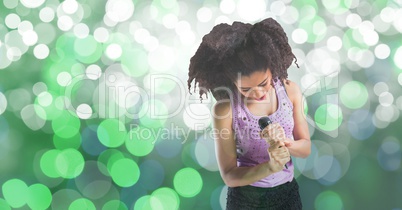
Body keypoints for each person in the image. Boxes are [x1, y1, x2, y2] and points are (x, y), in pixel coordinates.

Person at [187, 17, 311, 209]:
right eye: (246, 89)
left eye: (264, 83)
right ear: (231, 82)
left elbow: (305, 148)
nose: (258, 93)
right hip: (245, 200)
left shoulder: (290, 91)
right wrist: (269, 167)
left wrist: (284, 143)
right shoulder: (225, 110)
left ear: (273, 67)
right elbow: (229, 175)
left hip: (287, 194)